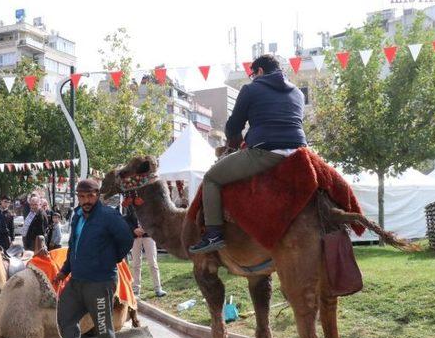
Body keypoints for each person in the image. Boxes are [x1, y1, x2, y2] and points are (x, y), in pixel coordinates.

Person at [189, 54, 307, 254]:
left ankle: (214, 234)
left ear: (259, 71)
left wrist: (234, 141)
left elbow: (234, 126)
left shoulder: (251, 89)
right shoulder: (298, 93)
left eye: (252, 74)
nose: (252, 77)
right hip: (300, 154)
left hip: (266, 152)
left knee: (211, 179)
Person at [51, 179, 133, 338]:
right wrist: (64, 271)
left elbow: (126, 239)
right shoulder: (77, 216)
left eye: (90, 195)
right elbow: (73, 246)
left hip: (100, 280)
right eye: (82, 196)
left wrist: (110, 259)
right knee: (65, 316)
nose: (86, 200)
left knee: (102, 324)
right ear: (77, 196)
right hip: (77, 278)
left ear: (97, 195)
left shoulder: (108, 216)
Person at [123, 204, 166, 297]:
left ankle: (158, 288)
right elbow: (127, 219)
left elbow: (154, 218)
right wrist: (134, 229)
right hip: (135, 237)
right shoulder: (131, 204)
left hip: (148, 236)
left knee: (153, 263)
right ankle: (136, 290)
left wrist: (146, 229)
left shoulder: (149, 203)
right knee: (136, 264)